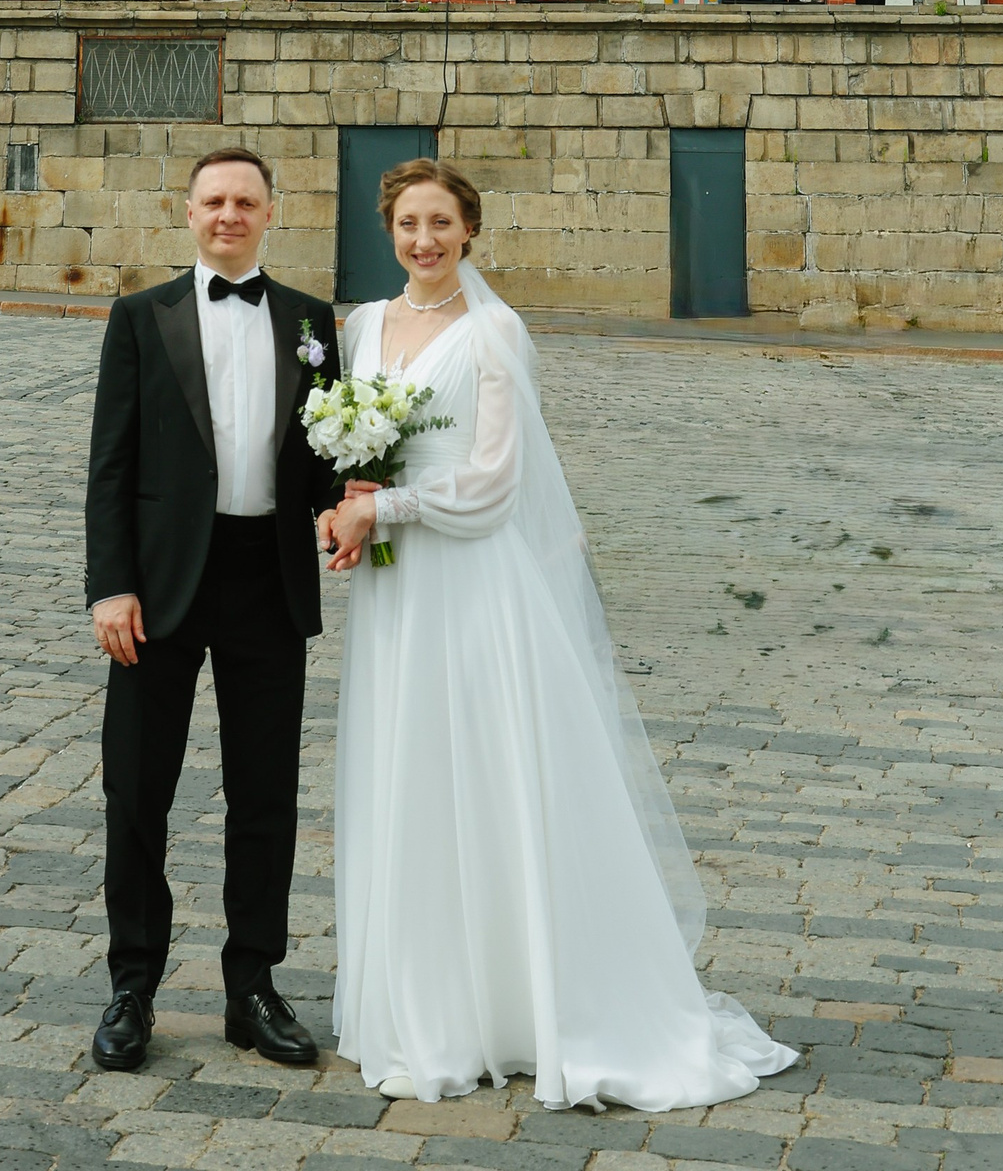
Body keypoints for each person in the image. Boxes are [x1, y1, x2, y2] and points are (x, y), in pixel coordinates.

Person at [320, 161, 796, 1110]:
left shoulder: (495, 332)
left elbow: (495, 484)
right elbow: (351, 451)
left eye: (441, 223)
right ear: (388, 229)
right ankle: (427, 1009)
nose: (424, 240)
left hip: (472, 581)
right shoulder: (362, 326)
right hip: (395, 592)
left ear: (469, 230)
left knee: (486, 774)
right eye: (409, 223)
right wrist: (349, 501)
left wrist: (390, 509)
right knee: (409, 772)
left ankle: (520, 1005)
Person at [84, 148, 341, 1079]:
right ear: (188, 213)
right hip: (157, 588)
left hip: (268, 576)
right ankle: (133, 986)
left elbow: (326, 450)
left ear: (271, 213)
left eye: (246, 201)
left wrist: (354, 502)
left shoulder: (311, 321)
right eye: (214, 201)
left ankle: (253, 986)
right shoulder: (139, 317)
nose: (229, 214)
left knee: (265, 794)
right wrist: (111, 585)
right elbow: (111, 462)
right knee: (137, 790)